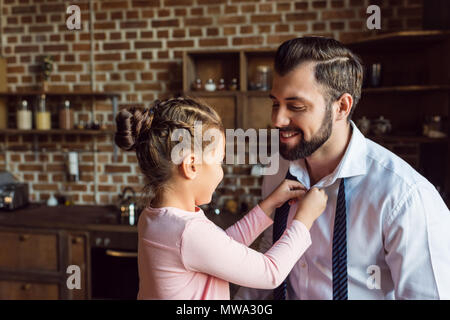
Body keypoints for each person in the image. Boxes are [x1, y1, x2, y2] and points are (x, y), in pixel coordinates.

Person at [235, 37, 450, 300]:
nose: (277, 120)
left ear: (342, 107)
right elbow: (270, 255)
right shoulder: (277, 170)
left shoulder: (405, 197)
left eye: (296, 106)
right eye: (275, 103)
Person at [114, 97, 328, 300]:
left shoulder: (154, 216)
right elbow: (270, 272)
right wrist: (304, 220)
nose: (221, 172)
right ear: (191, 166)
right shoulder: (187, 232)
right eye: (219, 162)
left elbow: (220, 248)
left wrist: (268, 205)